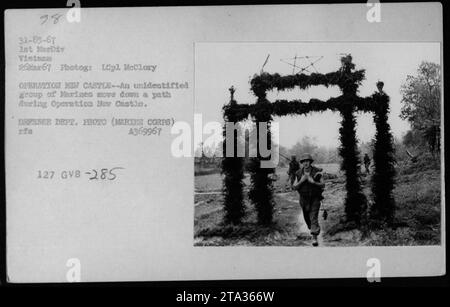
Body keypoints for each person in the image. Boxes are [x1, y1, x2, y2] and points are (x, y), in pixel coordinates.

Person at [292, 153, 325, 246]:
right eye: (304, 161)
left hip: (315, 198)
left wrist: (313, 181)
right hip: (303, 199)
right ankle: (313, 229)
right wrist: (302, 180)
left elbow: (323, 184)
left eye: (307, 161)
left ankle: (314, 238)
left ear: (310, 162)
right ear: (302, 163)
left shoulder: (317, 171)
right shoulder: (298, 173)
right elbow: (294, 187)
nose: (306, 163)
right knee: (307, 219)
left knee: (313, 217)